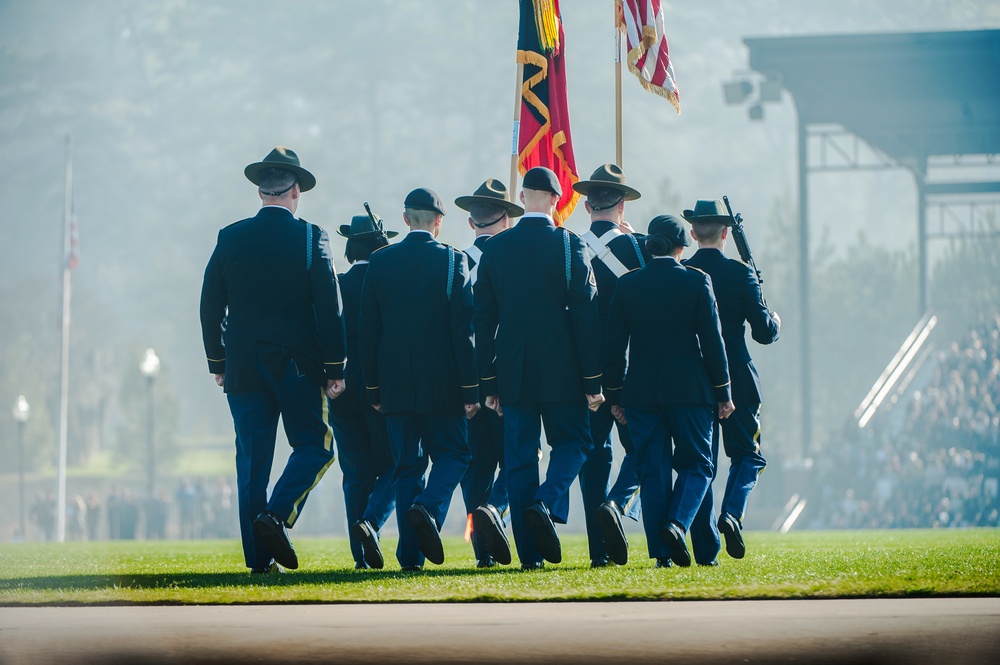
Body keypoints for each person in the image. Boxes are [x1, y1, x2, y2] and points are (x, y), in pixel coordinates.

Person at [200, 146, 346, 574]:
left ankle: (259, 561)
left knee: (251, 463)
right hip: (296, 365)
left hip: (243, 366)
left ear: (261, 193)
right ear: (296, 191)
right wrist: (335, 367)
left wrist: (217, 361)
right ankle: (277, 514)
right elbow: (329, 308)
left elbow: (210, 306)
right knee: (316, 446)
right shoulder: (310, 237)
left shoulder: (230, 236)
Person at [473, 167, 603, 569]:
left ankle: (530, 556)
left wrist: (488, 382)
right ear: (554, 200)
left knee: (520, 459)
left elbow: (483, 322)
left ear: (525, 197)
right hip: (562, 369)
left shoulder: (495, 249)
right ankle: (546, 503)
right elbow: (586, 317)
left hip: (513, 370)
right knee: (576, 443)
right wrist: (593, 379)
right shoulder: (569, 246)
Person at [358, 187, 479, 570]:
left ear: (406, 219)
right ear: (439, 222)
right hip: (442, 383)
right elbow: (464, 333)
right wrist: (470, 389)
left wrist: (374, 387)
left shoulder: (380, 262)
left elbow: (368, 331)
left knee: (407, 466)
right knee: (455, 454)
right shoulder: (452, 262)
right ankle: (428, 509)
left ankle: (410, 557)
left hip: (394, 384)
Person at [605, 214, 734, 567]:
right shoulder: (696, 281)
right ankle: (677, 524)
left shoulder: (628, 285)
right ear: (682, 247)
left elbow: (614, 347)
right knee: (699, 465)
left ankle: (662, 555)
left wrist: (615, 396)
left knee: (653, 470)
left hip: (641, 393)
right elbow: (712, 342)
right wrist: (723, 392)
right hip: (690, 391)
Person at [683, 199, 780, 561]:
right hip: (737, 376)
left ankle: (705, 546)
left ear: (693, 233)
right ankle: (732, 514)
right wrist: (773, 317)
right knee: (747, 455)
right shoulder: (742, 274)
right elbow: (764, 333)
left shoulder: (684, 270)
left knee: (700, 464)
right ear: (725, 234)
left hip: (695, 379)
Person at [572, 163, 649, 568]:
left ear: (587, 206)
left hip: (583, 372)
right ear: (621, 206)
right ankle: (617, 506)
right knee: (642, 449)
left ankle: (598, 549)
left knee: (592, 457)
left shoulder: (571, 248)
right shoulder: (639, 248)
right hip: (631, 367)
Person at [454, 179, 523, 568]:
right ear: (508, 220)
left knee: (477, 464)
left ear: (470, 222)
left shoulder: (454, 261)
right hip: (508, 375)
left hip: (466, 380)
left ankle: (483, 548)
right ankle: (497, 511)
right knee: (518, 456)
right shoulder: (513, 259)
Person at [331, 212, 399, 570]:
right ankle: (370, 522)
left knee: (355, 474)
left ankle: (361, 556)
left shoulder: (336, 285)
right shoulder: (384, 283)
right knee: (392, 466)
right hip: (378, 389)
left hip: (340, 388)